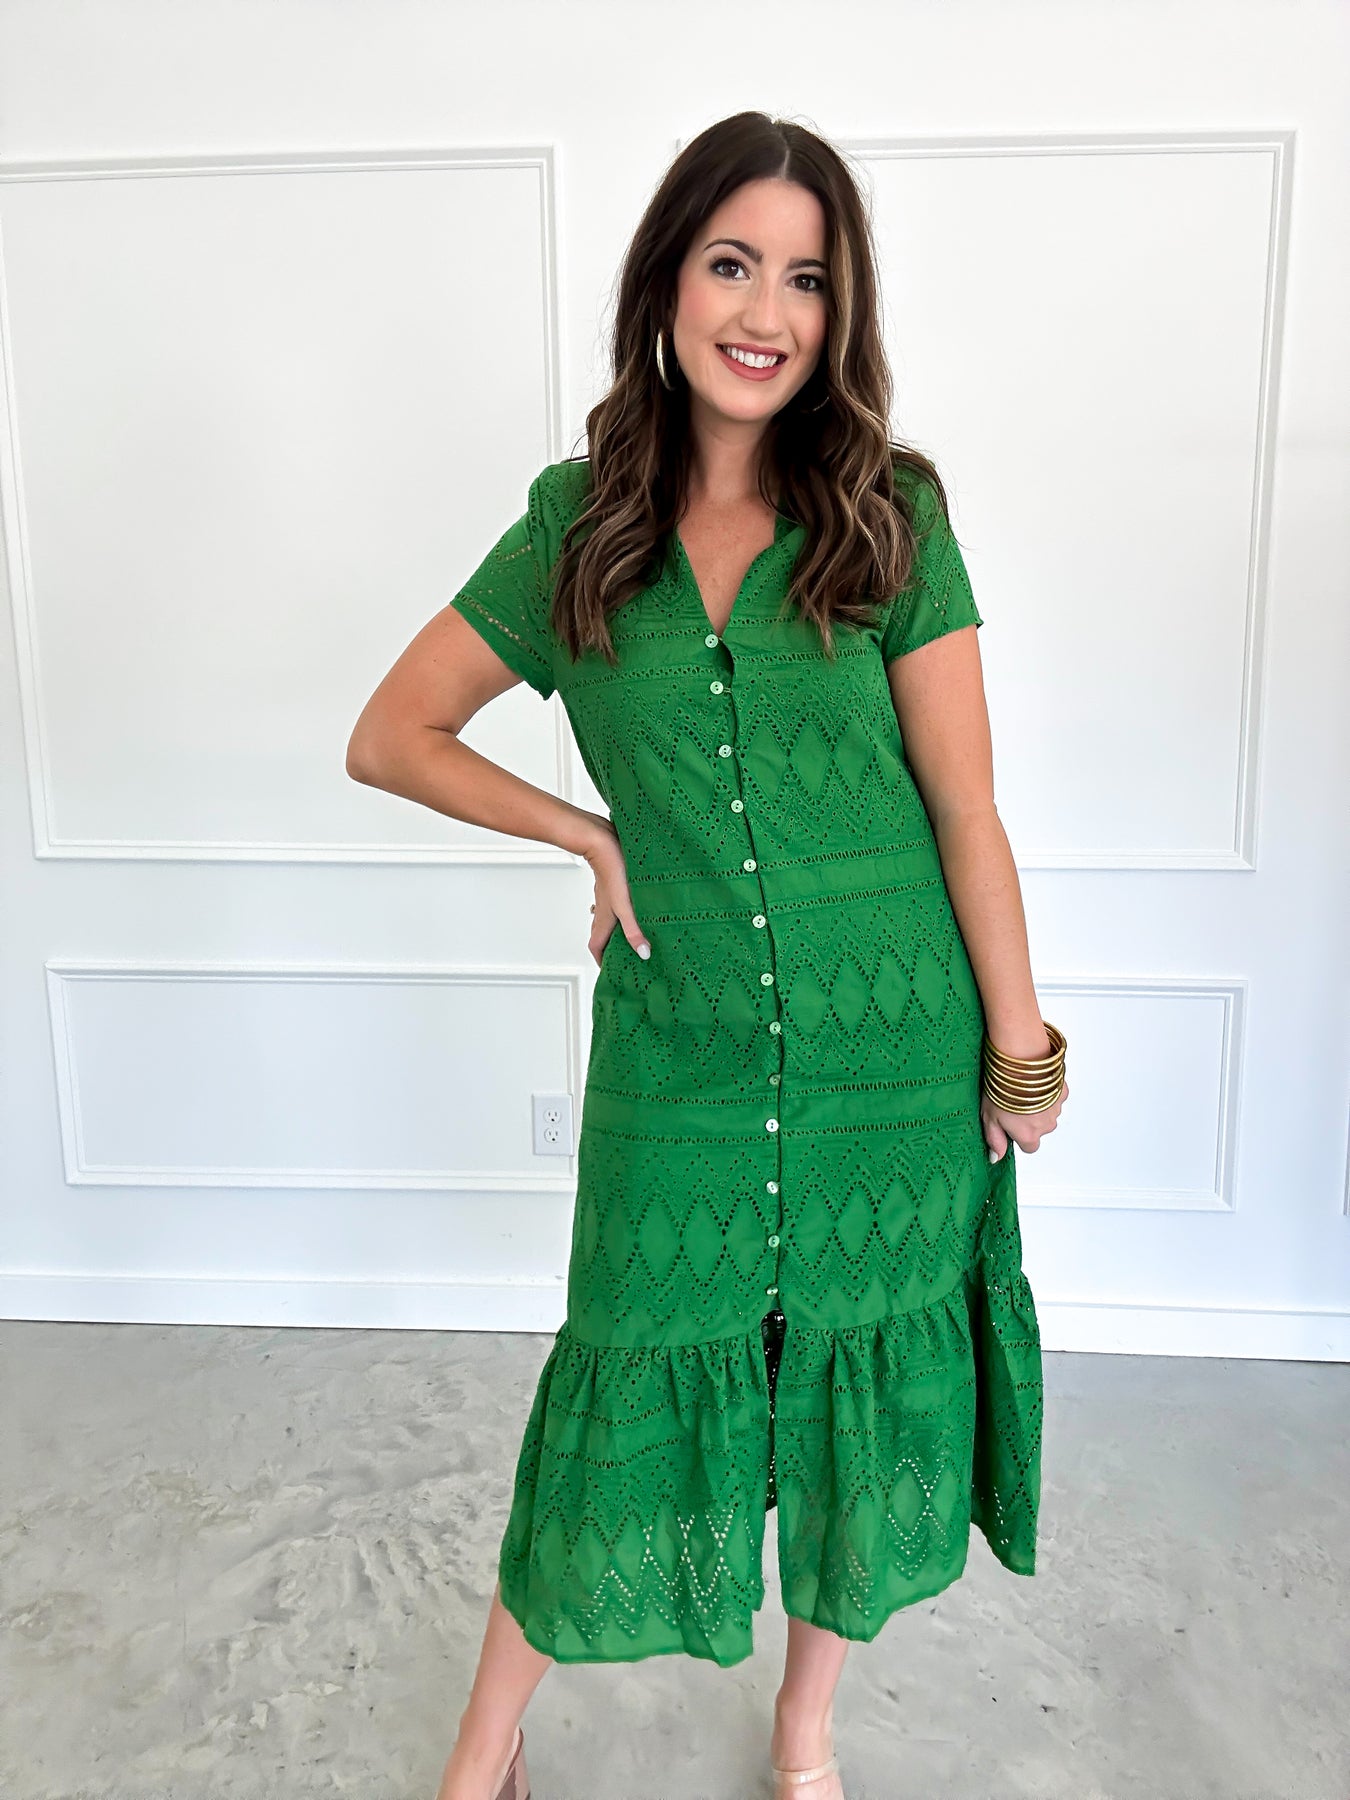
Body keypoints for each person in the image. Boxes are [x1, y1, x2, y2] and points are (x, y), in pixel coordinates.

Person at [346, 110, 1069, 1800]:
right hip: (679, 1050)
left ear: (838, 311)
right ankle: (483, 1754)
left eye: (805, 279)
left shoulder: (888, 513)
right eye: (732, 263)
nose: (765, 311)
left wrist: (1018, 1050)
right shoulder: (574, 527)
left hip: (894, 1054)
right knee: (619, 1375)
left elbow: (965, 807)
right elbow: (391, 736)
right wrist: (586, 833)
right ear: (666, 283)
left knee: (847, 1398)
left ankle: (804, 1733)